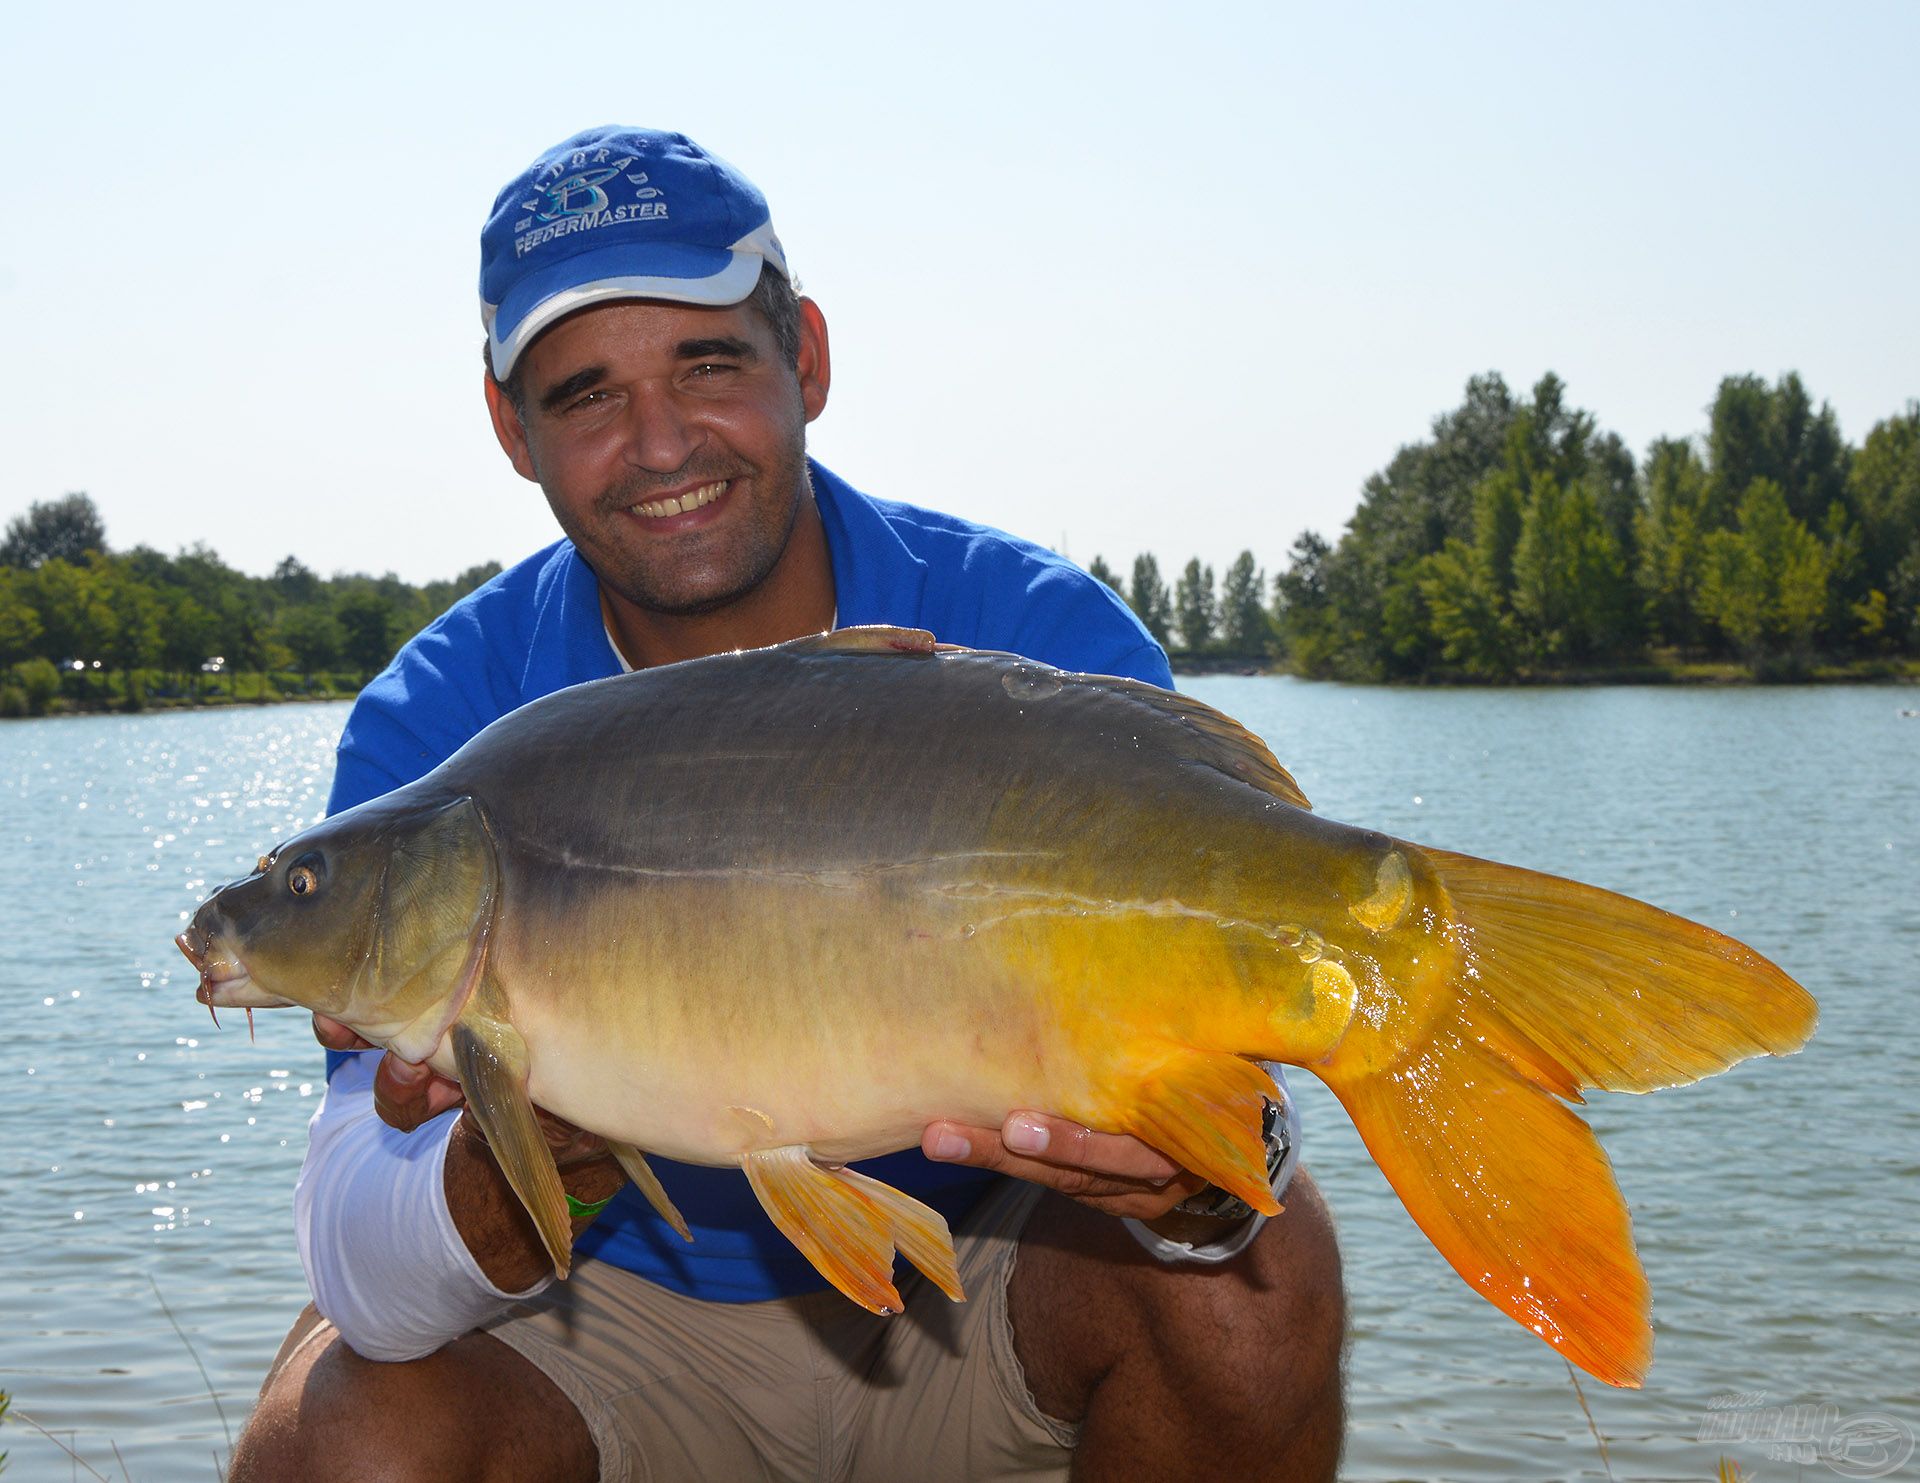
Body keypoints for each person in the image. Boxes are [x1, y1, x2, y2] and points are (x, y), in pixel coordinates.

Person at [230, 126, 1345, 1483]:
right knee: (341, 1442)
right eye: (585, 395)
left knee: (1257, 1272)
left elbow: (1244, 1106)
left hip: (1000, 1262)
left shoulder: (1034, 640)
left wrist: (1211, 1176)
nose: (658, 444)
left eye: (709, 364)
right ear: (511, 430)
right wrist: (526, 1152)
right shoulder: (439, 729)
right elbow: (363, 1263)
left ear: (806, 357)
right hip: (601, 1318)